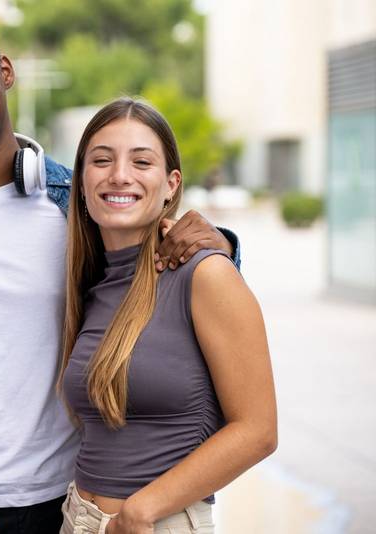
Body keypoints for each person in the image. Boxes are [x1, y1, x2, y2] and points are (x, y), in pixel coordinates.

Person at [0, 7, 240, 533]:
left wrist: (221, 245)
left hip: (71, 500)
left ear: (4, 72)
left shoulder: (75, 205)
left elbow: (168, 278)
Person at [58, 98, 277, 534]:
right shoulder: (92, 286)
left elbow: (258, 430)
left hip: (156, 524)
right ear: (81, 182)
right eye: (101, 160)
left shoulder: (205, 273)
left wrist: (142, 511)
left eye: (142, 161)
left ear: (171, 184)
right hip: (77, 519)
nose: (119, 175)